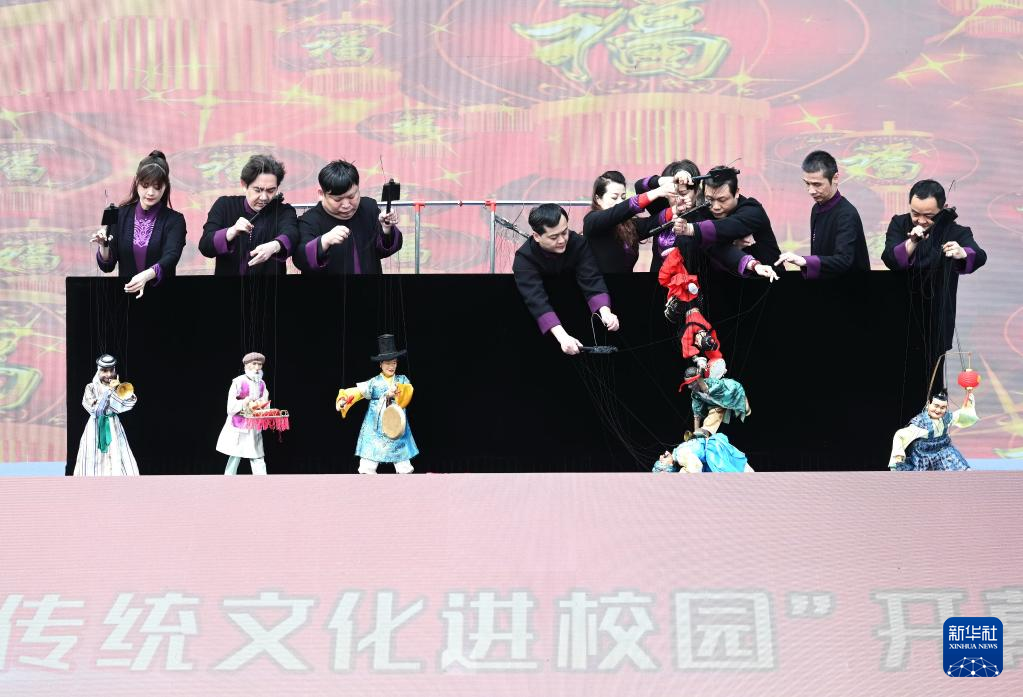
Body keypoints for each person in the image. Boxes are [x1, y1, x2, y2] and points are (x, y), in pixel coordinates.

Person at [880, 180, 986, 383]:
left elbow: (979, 255)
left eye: (928, 216)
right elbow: (890, 259)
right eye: (915, 213)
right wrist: (912, 242)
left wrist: (962, 253)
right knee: (896, 377)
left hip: (937, 316)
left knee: (931, 379)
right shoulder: (899, 224)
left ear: (943, 208)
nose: (920, 221)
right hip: (900, 311)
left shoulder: (956, 232)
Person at [512, 204, 620, 355]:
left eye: (564, 232)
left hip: (577, 311)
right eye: (554, 237)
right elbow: (536, 301)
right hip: (544, 323)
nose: (562, 240)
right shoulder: (524, 259)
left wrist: (606, 312)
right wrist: (562, 337)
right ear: (536, 236)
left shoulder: (578, 243)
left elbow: (591, 279)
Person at [91, 150, 187, 296]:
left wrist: (146, 276)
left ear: (165, 187)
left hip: (163, 298)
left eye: (157, 187)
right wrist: (103, 246)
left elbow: (171, 256)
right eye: (145, 185)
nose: (151, 192)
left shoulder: (175, 220)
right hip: (126, 298)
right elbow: (107, 267)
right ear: (137, 182)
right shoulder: (119, 214)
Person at [294, 160, 401, 274]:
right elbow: (300, 260)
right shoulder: (308, 221)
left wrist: (386, 228)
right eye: (337, 199)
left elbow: (384, 250)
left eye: (351, 196)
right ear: (321, 194)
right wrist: (324, 241)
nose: (346, 205)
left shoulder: (368, 207)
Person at [199, 154, 299, 276]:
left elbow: (292, 234)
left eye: (271, 190)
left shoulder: (284, 211)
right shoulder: (224, 205)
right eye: (257, 190)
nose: (264, 197)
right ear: (244, 185)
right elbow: (205, 246)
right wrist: (231, 231)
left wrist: (274, 246)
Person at [775, 150, 870, 279]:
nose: (811, 191)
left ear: (835, 178)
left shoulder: (847, 214)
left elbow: (844, 260)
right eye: (807, 183)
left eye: (817, 184)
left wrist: (804, 261)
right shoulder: (816, 208)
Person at [336, 334, 418, 474]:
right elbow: (358, 392)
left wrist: (396, 391)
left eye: (394, 363)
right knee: (367, 466)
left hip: (395, 425)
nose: (391, 366)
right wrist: (343, 399)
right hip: (375, 427)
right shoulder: (374, 382)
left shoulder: (402, 380)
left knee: (404, 466)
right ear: (381, 364)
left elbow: (408, 390)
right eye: (387, 363)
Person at [671, 165, 781, 266]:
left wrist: (691, 229)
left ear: (736, 192)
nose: (715, 207)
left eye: (722, 200)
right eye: (709, 199)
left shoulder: (753, 210)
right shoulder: (704, 210)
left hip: (768, 276)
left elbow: (728, 226)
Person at [582, 170, 677, 272]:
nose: (620, 202)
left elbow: (652, 223)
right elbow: (618, 211)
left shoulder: (628, 226)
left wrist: (677, 209)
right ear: (598, 199)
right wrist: (657, 192)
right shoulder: (591, 221)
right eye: (614, 197)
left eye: (623, 197)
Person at [73, 354, 139, 476]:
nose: (109, 375)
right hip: (95, 426)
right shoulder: (91, 388)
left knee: (118, 453)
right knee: (92, 457)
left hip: (114, 426)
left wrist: (117, 390)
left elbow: (127, 405)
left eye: (111, 370)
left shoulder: (118, 387)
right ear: (98, 371)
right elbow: (95, 410)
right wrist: (109, 392)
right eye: (104, 371)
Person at [634, 159, 705, 273]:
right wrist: (669, 180)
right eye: (673, 193)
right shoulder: (662, 211)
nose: (678, 199)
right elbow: (639, 186)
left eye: (683, 193)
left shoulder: (705, 218)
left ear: (696, 192)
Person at [216, 352, 272, 475]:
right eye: (254, 364)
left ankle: (263, 481)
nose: (257, 367)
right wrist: (245, 402)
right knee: (235, 454)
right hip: (240, 425)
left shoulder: (261, 383)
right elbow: (230, 407)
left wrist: (262, 405)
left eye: (260, 364)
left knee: (257, 455)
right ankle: (228, 479)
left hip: (254, 425)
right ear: (247, 365)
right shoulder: (238, 381)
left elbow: (265, 401)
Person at [889, 390, 973, 471]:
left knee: (958, 463)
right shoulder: (921, 422)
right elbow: (900, 435)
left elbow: (961, 415)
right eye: (936, 406)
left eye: (943, 407)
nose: (938, 410)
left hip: (945, 452)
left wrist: (968, 402)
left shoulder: (946, 417)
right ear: (928, 404)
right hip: (924, 456)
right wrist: (898, 457)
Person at [654, 432, 753, 473]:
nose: (662, 455)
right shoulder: (679, 453)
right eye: (662, 460)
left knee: (732, 475)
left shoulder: (679, 454)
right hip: (714, 448)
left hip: (714, 452)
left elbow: (696, 467)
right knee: (737, 466)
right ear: (669, 466)